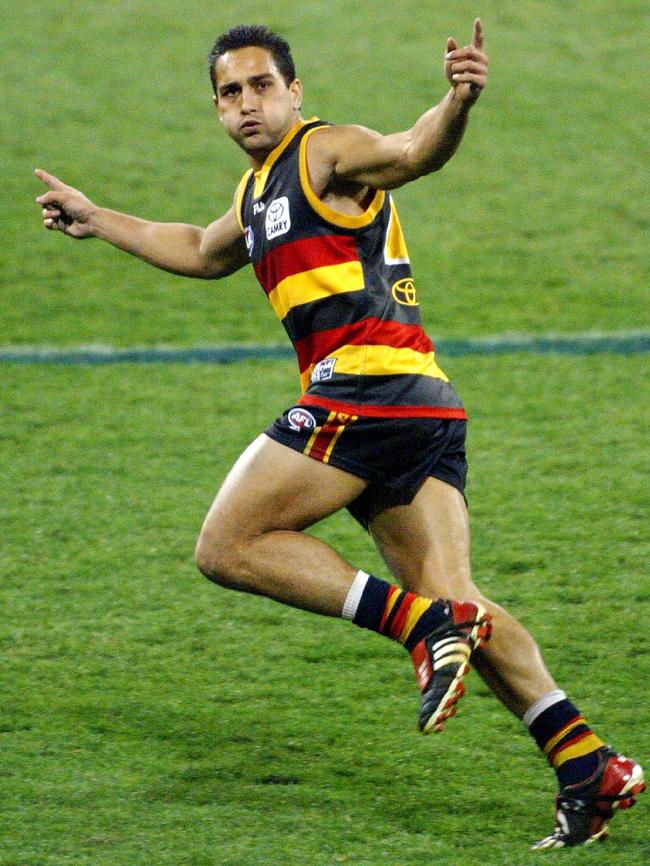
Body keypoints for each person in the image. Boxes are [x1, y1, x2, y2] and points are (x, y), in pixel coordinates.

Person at [35, 19, 644, 848]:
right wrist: (95, 216)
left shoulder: (325, 153)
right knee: (460, 601)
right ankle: (587, 764)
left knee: (228, 545)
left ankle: (417, 630)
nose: (246, 104)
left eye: (260, 86)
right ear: (216, 110)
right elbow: (204, 250)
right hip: (421, 402)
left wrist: (458, 100)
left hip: (368, 388)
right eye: (229, 93)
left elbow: (410, 152)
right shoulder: (256, 195)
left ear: (294, 91)